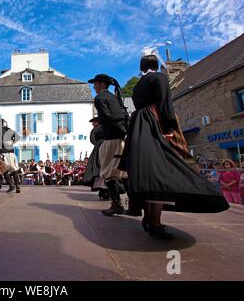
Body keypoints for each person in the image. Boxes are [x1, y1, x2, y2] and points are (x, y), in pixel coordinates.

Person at [119, 50, 229, 239]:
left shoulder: (137, 87)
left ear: (142, 68)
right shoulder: (160, 78)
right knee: (164, 169)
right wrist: (169, 126)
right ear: (155, 66)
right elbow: (165, 103)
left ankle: (149, 218)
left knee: (150, 173)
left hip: (139, 127)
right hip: (155, 122)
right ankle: (155, 222)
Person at [88, 74, 128, 215]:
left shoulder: (100, 98)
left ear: (102, 84)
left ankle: (116, 204)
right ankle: (133, 203)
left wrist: (115, 132)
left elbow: (107, 118)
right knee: (123, 173)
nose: (94, 87)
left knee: (107, 172)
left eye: (96, 84)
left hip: (111, 138)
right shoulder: (114, 97)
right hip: (121, 136)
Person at [83, 117, 108, 200]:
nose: (92, 124)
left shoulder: (94, 130)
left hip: (98, 148)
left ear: (97, 122)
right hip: (108, 147)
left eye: (93, 122)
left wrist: (98, 144)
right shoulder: (106, 127)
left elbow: (92, 140)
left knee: (97, 168)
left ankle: (102, 190)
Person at [0, 118, 21, 193]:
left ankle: (11, 185)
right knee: (14, 169)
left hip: (3, 152)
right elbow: (18, 137)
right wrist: (12, 142)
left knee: (4, 169)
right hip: (10, 152)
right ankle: (17, 186)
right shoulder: (8, 130)